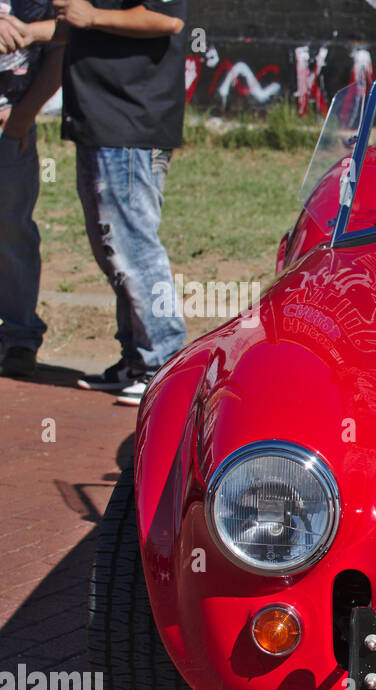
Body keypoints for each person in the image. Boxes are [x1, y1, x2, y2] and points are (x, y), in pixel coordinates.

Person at [54, 0, 187, 406]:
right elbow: (76, 23)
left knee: (134, 249)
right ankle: (136, 358)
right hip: (101, 123)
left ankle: (164, 363)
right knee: (113, 250)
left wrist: (90, 16)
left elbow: (168, 19)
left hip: (129, 128)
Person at [0, 3, 60, 379]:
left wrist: (23, 117)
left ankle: (20, 337)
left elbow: (64, 44)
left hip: (9, 128)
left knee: (12, 231)